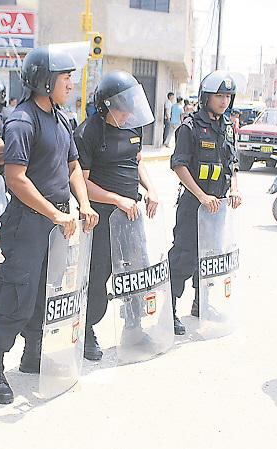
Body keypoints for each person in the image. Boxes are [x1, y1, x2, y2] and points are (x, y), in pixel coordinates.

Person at [0, 44, 98, 404]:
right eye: (65, 77)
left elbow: (72, 167)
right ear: (44, 80)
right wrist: (54, 214)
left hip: (58, 221)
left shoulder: (61, 117)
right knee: (17, 297)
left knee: (47, 293)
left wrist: (82, 204)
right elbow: (15, 178)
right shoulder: (23, 120)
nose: (70, 83)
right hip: (28, 224)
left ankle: (33, 354)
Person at [75, 70, 159, 360]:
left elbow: (137, 163)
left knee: (137, 273)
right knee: (98, 276)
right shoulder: (88, 133)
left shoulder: (134, 127)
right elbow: (81, 183)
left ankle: (134, 327)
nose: (127, 114)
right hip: (101, 217)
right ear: (107, 106)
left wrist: (150, 189)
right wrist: (117, 199)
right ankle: (87, 330)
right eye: (122, 108)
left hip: (130, 215)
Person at [168, 71, 242, 334]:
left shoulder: (227, 126)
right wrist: (201, 196)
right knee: (183, 258)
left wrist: (234, 189)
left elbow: (231, 163)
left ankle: (202, 304)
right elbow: (179, 165)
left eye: (227, 96)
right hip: (193, 205)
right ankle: (170, 310)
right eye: (219, 95)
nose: (224, 101)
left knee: (210, 257)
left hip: (218, 207)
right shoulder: (189, 127)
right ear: (206, 97)